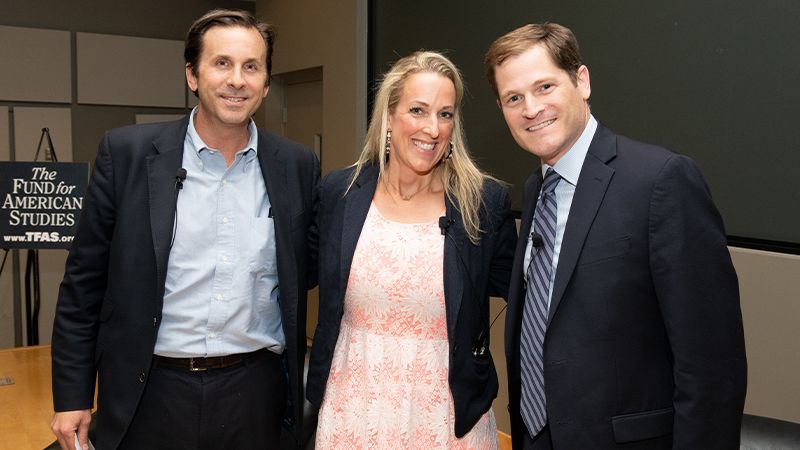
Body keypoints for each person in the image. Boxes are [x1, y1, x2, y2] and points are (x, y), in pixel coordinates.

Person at [50, 9, 319, 450]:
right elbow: (83, 286)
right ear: (192, 75)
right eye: (222, 63)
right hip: (151, 392)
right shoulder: (128, 155)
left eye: (251, 66)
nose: (237, 80)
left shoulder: (297, 166)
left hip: (255, 396)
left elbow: (306, 269)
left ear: (267, 83)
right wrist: (73, 395)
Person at [484, 23, 747, 449]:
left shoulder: (660, 180)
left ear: (581, 81)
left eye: (545, 86)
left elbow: (713, 366)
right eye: (514, 98)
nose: (531, 108)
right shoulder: (536, 190)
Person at [306, 51, 517, 449]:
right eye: (417, 110)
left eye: (445, 114)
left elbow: (531, 298)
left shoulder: (482, 204)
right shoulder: (341, 194)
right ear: (389, 115)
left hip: (447, 421)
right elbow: (290, 274)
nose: (432, 128)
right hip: (353, 411)